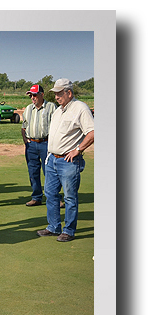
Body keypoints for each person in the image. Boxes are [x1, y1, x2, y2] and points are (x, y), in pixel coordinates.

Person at [37, 78, 94, 242]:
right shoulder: (58, 110)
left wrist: (78, 149)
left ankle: (68, 230)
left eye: (59, 93)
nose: (56, 97)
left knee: (69, 197)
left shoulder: (80, 108)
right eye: (55, 94)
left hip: (68, 161)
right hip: (52, 159)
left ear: (69, 93)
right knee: (50, 194)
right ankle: (54, 227)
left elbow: (92, 132)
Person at [21, 85, 56, 206]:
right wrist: (25, 140)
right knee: (33, 172)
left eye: (35, 95)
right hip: (31, 145)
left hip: (46, 143)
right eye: (30, 95)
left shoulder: (51, 107)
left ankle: (54, 197)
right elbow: (23, 127)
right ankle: (36, 197)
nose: (32, 97)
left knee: (50, 172)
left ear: (42, 94)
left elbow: (57, 127)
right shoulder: (28, 109)